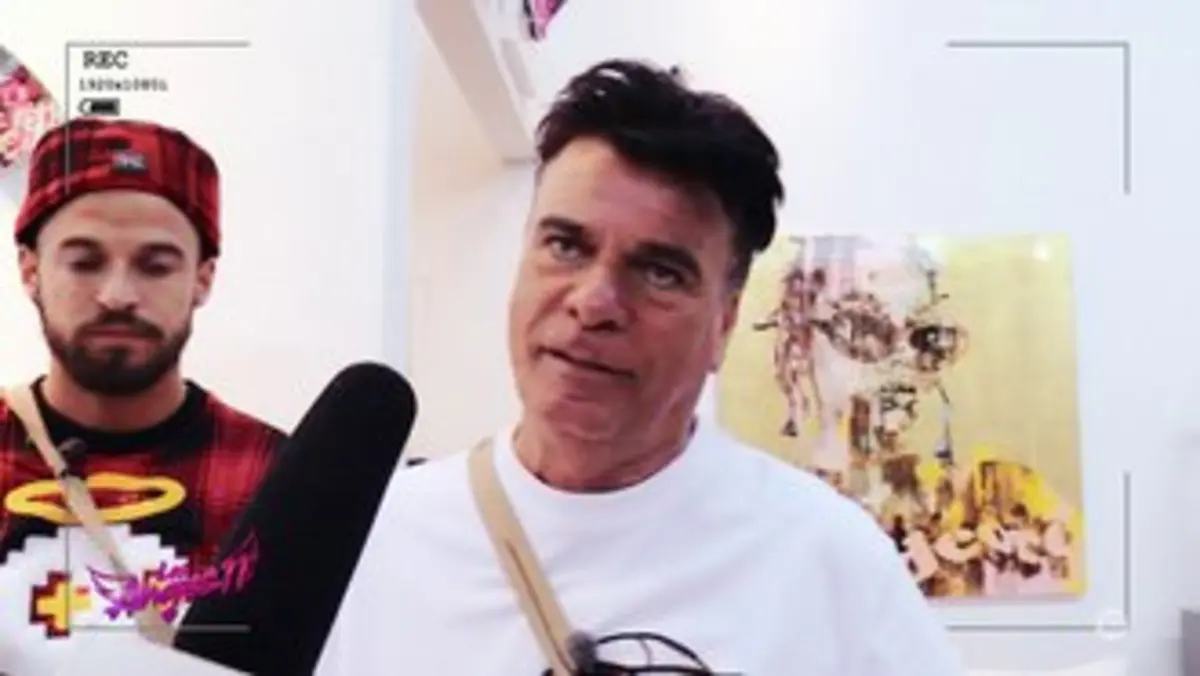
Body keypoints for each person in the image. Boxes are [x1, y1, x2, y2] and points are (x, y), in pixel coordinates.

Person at [350, 59, 965, 675]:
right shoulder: (370, 542)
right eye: (565, 245)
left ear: (724, 324)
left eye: (660, 273)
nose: (594, 303)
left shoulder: (825, 561)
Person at [0, 117, 285, 676]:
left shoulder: (275, 478)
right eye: (84, 262)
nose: (117, 295)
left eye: (156, 266)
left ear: (203, 278)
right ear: (30, 271)